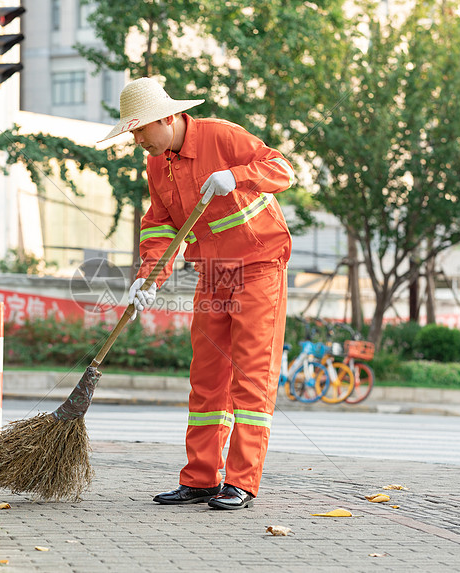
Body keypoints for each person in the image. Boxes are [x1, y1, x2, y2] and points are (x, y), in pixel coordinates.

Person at [99, 77, 294, 510]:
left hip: (259, 267)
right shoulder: (157, 164)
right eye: (131, 131)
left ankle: (241, 481)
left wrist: (238, 176)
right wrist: (147, 278)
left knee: (251, 379)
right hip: (212, 273)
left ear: (166, 118)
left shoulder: (221, 136)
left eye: (139, 130)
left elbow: (283, 169)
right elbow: (161, 226)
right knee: (207, 381)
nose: (135, 139)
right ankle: (202, 479)